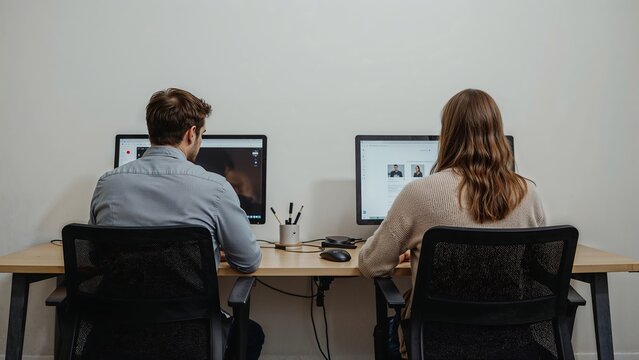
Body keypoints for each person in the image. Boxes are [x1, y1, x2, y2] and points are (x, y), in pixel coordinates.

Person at [359, 89, 546, 359]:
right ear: (497, 133)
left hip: (435, 342)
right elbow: (538, 268)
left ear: (447, 135)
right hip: (512, 340)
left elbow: (371, 265)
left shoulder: (419, 193)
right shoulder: (528, 193)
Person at [89, 88, 264, 359]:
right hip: (189, 338)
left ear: (150, 131)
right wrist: (206, 252)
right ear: (191, 133)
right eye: (202, 135)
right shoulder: (215, 187)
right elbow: (249, 261)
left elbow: (96, 254)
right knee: (251, 333)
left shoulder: (108, 183)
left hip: (115, 334)